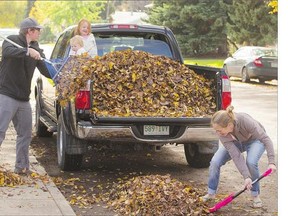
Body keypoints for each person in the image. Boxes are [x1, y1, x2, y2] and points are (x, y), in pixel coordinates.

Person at [0, 17, 51, 174]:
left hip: (23, 99)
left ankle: (21, 167)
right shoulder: (12, 40)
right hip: (6, 94)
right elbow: (8, 52)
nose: (40, 33)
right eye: (38, 30)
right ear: (30, 30)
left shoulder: (36, 47)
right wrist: (27, 51)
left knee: (25, 134)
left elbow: (45, 69)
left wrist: (61, 74)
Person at [202, 105, 276, 208]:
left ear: (228, 125)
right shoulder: (222, 134)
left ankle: (255, 195)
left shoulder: (245, 120)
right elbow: (236, 155)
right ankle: (211, 192)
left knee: (251, 162)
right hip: (236, 141)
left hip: (255, 140)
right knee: (215, 161)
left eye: (219, 130)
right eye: (216, 130)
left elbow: (265, 139)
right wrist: (246, 177)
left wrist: (271, 162)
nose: (217, 133)